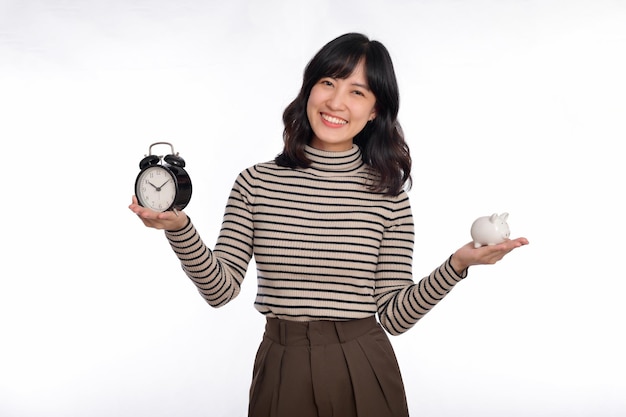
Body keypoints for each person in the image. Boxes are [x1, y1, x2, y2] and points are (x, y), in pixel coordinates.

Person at [129, 32, 528, 417]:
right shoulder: (256, 183)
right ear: (309, 91)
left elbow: (394, 316)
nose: (336, 102)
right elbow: (220, 291)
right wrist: (179, 229)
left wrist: (458, 265)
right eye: (328, 82)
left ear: (374, 110)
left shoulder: (388, 197)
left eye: (357, 91)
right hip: (281, 367)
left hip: (363, 364)